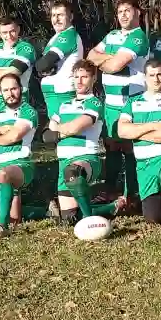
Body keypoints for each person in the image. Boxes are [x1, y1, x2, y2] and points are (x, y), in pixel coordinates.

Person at [42, 61, 125, 224]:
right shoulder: (64, 105)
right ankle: (110, 207)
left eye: (84, 77)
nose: (79, 81)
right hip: (63, 161)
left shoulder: (94, 103)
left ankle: (89, 220)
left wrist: (60, 130)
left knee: (73, 172)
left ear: (93, 79)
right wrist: (66, 130)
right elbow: (46, 135)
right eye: (76, 77)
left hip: (86, 158)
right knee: (69, 219)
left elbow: (75, 127)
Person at [117, 58, 161, 237]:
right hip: (145, 164)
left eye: (160, 74)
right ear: (145, 77)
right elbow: (122, 131)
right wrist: (154, 125)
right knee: (153, 217)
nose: (156, 79)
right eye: (152, 75)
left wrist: (137, 133)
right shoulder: (133, 101)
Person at [87, 0, 149, 202]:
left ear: (137, 12)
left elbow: (115, 66)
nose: (123, 15)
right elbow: (90, 56)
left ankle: (132, 194)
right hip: (111, 103)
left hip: (131, 101)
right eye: (120, 11)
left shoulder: (138, 37)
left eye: (127, 10)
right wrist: (111, 59)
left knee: (130, 147)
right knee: (112, 145)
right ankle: (110, 190)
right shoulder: (112, 35)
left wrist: (107, 60)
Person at [0, 74, 42, 239]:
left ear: (21, 89)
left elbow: (13, 137)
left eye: (13, 88)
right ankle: (46, 210)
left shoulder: (28, 111)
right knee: (15, 218)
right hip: (1, 165)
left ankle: (1, 226)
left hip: (21, 164)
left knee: (4, 174)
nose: (10, 93)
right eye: (5, 90)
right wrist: (1, 129)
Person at [36, 0, 85, 130]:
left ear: (71, 17)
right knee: (54, 132)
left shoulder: (68, 35)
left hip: (63, 93)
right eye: (53, 15)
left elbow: (43, 64)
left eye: (60, 15)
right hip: (53, 93)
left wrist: (41, 67)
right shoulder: (56, 37)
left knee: (60, 132)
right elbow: (43, 67)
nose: (56, 19)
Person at [0, 15, 38, 109]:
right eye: (4, 33)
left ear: (18, 30)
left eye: (12, 31)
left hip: (18, 99)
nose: (9, 36)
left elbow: (13, 75)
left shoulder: (25, 48)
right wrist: (6, 72)